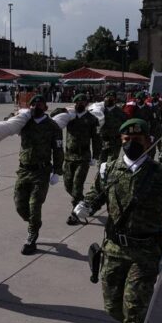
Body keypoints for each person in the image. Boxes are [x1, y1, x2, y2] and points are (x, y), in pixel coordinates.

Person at [74, 118, 162, 323]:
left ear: (147, 141)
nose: (131, 143)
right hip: (114, 249)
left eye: (137, 139)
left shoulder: (161, 175)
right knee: (112, 307)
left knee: (134, 310)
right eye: (127, 139)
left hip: (146, 252)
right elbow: (97, 194)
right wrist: (85, 206)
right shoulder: (108, 170)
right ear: (120, 140)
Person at [14, 95, 64, 255]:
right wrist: (18, 114)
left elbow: (58, 149)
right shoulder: (24, 122)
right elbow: (8, 122)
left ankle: (32, 235)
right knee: (20, 206)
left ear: (46, 107)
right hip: (23, 171)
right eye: (33, 104)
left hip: (41, 172)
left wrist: (57, 171)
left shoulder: (52, 126)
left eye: (40, 104)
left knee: (34, 205)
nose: (36, 106)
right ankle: (34, 223)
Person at [63, 93, 101, 225]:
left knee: (77, 186)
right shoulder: (69, 117)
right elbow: (54, 116)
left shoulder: (92, 119)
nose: (80, 104)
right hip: (68, 156)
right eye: (77, 102)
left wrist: (96, 156)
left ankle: (75, 214)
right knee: (68, 185)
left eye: (83, 102)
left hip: (83, 157)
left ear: (86, 104)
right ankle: (83, 203)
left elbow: (96, 139)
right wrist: (63, 110)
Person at [99, 90, 128, 163]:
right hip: (102, 141)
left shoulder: (120, 112)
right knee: (100, 164)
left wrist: (125, 141)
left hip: (115, 142)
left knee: (111, 164)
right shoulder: (100, 110)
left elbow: (125, 128)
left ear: (115, 100)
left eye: (112, 98)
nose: (109, 100)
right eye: (108, 98)